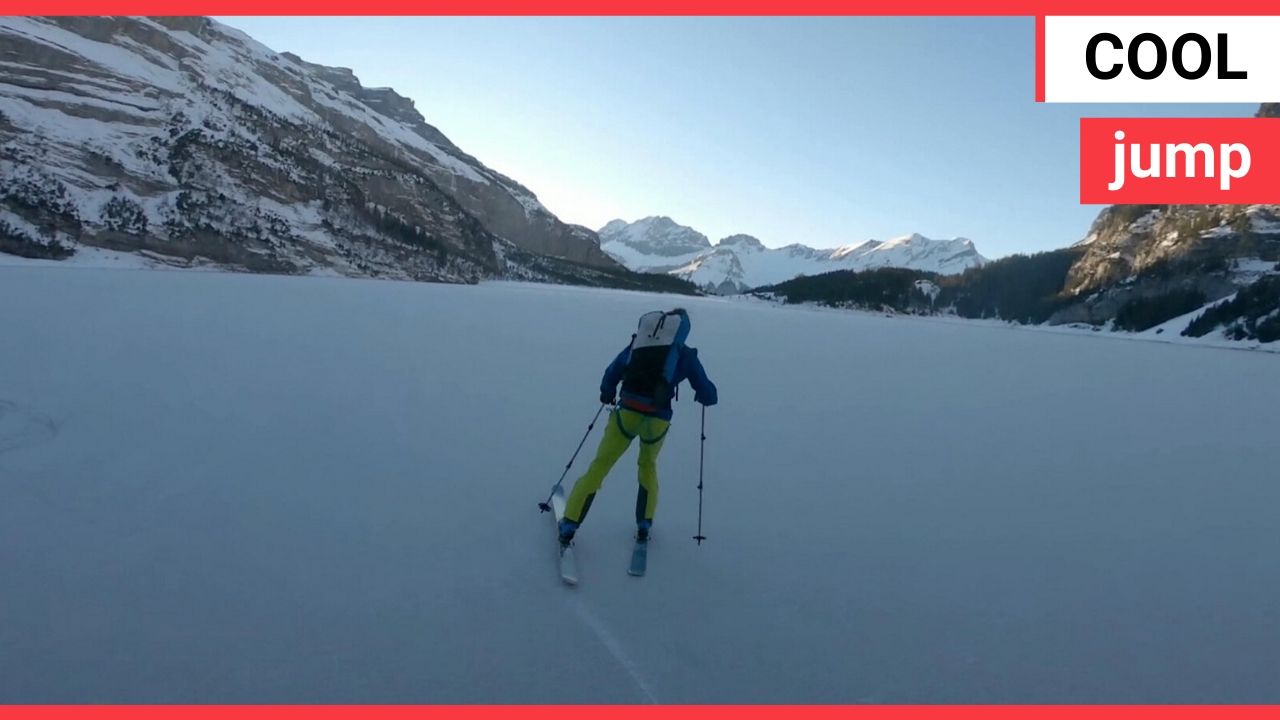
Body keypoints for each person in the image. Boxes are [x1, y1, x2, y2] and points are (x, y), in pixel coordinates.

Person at [559, 307, 717, 547]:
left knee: (600, 465)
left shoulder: (638, 345)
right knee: (647, 465)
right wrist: (705, 396)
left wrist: (607, 392)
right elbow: (707, 392)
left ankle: (569, 524)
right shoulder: (683, 354)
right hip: (658, 420)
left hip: (626, 414)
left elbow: (612, 371)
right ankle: (644, 524)